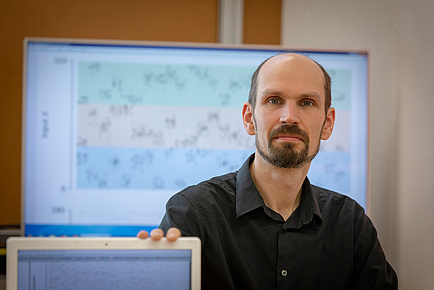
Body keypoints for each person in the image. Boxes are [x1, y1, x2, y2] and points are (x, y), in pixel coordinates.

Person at [138, 53, 398, 289]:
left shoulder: (350, 225)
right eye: (274, 100)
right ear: (249, 119)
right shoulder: (193, 213)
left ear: (327, 124)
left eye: (307, 103)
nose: (289, 117)